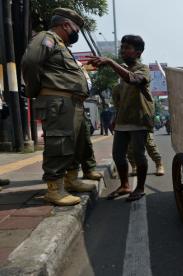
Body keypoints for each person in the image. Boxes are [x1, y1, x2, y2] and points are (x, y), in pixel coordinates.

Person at [22, 8, 95, 206]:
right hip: (58, 102)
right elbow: (30, 62)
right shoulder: (47, 37)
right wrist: (34, 90)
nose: (77, 33)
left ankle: (70, 180)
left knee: (74, 144)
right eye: (76, 28)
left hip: (71, 103)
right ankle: (54, 190)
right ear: (65, 25)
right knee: (59, 144)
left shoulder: (62, 45)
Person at [88, 35, 154, 201]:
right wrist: (116, 117)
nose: (123, 50)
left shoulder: (143, 68)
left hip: (139, 120)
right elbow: (121, 97)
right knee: (118, 155)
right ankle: (125, 185)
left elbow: (134, 79)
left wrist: (110, 62)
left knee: (139, 155)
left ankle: (139, 188)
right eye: (122, 47)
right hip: (123, 121)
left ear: (138, 52)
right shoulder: (122, 71)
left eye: (127, 48)